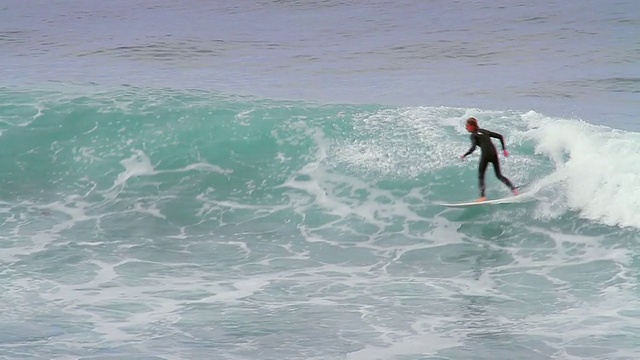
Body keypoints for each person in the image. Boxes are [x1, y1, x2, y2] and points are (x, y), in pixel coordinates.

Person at [460, 117, 519, 202]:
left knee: (481, 176)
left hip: (486, 155)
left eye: (467, 126)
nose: (466, 127)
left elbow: (473, 148)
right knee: (499, 175)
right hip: (494, 153)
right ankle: (514, 190)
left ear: (472, 126)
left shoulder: (473, 135)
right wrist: (504, 150)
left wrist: (464, 155)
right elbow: (500, 136)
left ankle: (483, 197)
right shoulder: (484, 131)